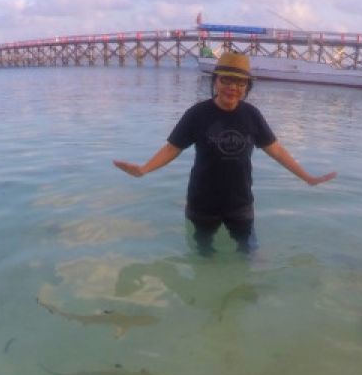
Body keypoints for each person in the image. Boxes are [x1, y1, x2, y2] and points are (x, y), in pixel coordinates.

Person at [113, 52, 337, 255]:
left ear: (247, 86)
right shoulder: (197, 114)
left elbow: (276, 150)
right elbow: (173, 148)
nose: (233, 87)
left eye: (240, 82)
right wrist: (144, 170)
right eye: (226, 80)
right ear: (215, 82)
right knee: (203, 254)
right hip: (202, 203)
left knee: (249, 252)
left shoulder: (252, 115)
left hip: (240, 202)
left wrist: (307, 177)